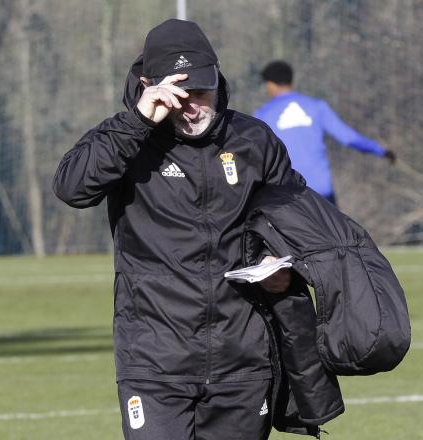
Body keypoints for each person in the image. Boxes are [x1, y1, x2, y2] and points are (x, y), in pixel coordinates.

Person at [53, 19, 302, 440]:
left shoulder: (253, 140)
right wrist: (139, 121)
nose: (192, 106)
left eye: (201, 93)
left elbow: (295, 222)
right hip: (154, 363)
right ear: (150, 85)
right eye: (180, 94)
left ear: (218, 85)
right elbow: (72, 188)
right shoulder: (126, 138)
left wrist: (283, 269)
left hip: (242, 362)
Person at [254, 60, 396, 204]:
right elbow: (348, 138)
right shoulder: (317, 107)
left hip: (287, 196)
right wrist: (381, 151)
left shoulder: (262, 116)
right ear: (291, 80)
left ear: (270, 84)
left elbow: (257, 156)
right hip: (321, 194)